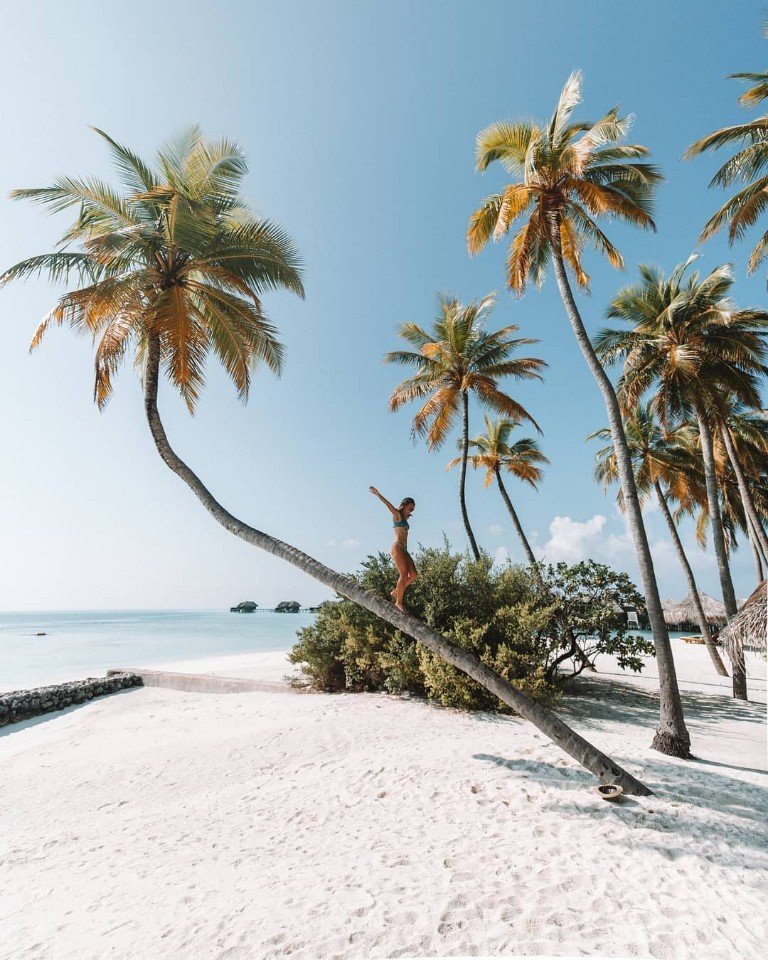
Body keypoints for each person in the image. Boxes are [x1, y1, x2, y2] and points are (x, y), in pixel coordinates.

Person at [369, 486, 417, 611]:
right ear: (404, 505)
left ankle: (397, 591)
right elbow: (387, 505)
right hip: (397, 547)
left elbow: (404, 522)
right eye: (410, 507)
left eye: (413, 508)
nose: (411, 510)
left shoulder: (404, 517)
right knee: (403, 574)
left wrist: (407, 516)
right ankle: (398, 602)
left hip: (404, 549)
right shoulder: (397, 514)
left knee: (413, 575)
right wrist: (378, 494)